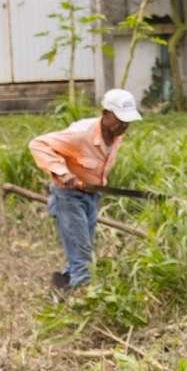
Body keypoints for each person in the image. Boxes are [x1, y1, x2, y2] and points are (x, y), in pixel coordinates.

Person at [29, 88, 143, 291]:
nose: (125, 125)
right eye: (120, 119)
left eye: (128, 121)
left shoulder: (116, 135)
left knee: (82, 248)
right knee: (82, 255)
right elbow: (38, 144)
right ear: (106, 114)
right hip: (69, 197)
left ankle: (62, 285)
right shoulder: (80, 133)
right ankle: (83, 298)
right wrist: (62, 172)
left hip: (92, 195)